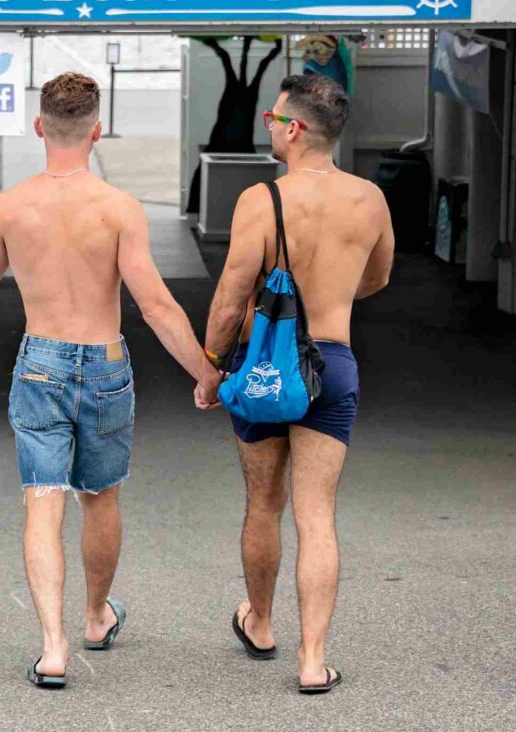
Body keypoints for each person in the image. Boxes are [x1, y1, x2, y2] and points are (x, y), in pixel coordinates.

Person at [0, 72, 222, 688]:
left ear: (39, 128)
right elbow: (157, 305)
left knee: (42, 499)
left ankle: (52, 649)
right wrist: (206, 373)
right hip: (104, 361)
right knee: (101, 496)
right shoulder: (118, 209)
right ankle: (93, 615)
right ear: (96, 129)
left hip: (39, 361)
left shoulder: (9, 205)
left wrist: (5, 242)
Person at [202, 74, 394, 694]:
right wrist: (328, 298)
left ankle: (259, 623)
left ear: (295, 128)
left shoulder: (261, 200)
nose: (269, 127)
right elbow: (378, 278)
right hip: (330, 361)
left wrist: (212, 368)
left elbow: (232, 299)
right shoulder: (370, 200)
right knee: (318, 515)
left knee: (264, 503)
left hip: (264, 363)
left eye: (272, 118)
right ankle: (313, 662)